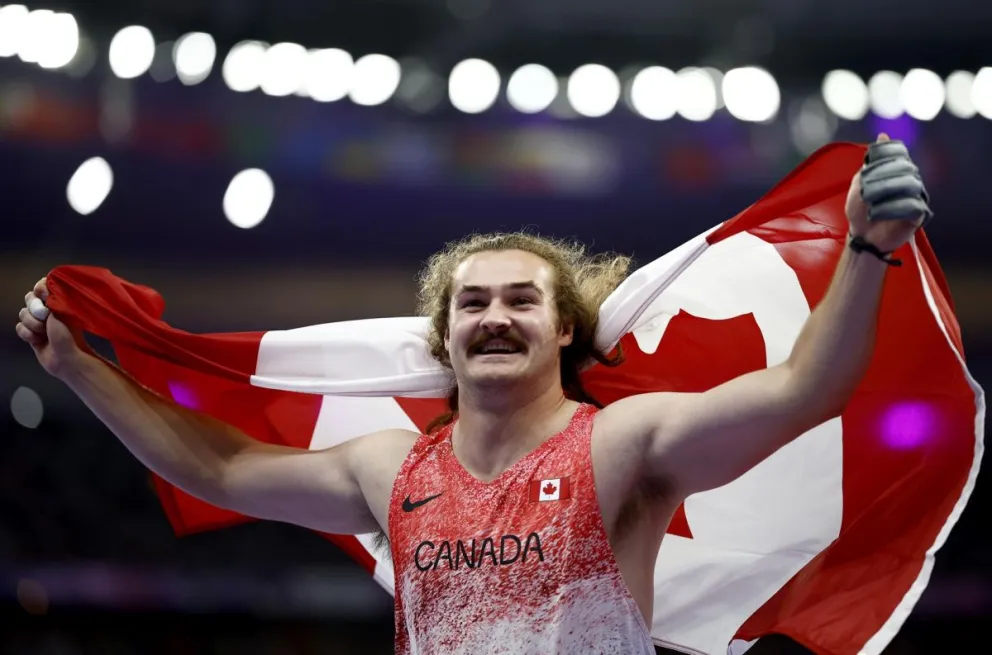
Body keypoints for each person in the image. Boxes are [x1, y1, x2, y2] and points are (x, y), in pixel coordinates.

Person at [15, 135, 932, 654]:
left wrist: (864, 250)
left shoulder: (622, 444)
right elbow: (220, 464)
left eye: (522, 299)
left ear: (563, 327)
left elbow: (804, 389)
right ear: (445, 336)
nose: (495, 316)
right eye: (473, 302)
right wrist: (78, 368)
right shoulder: (390, 468)